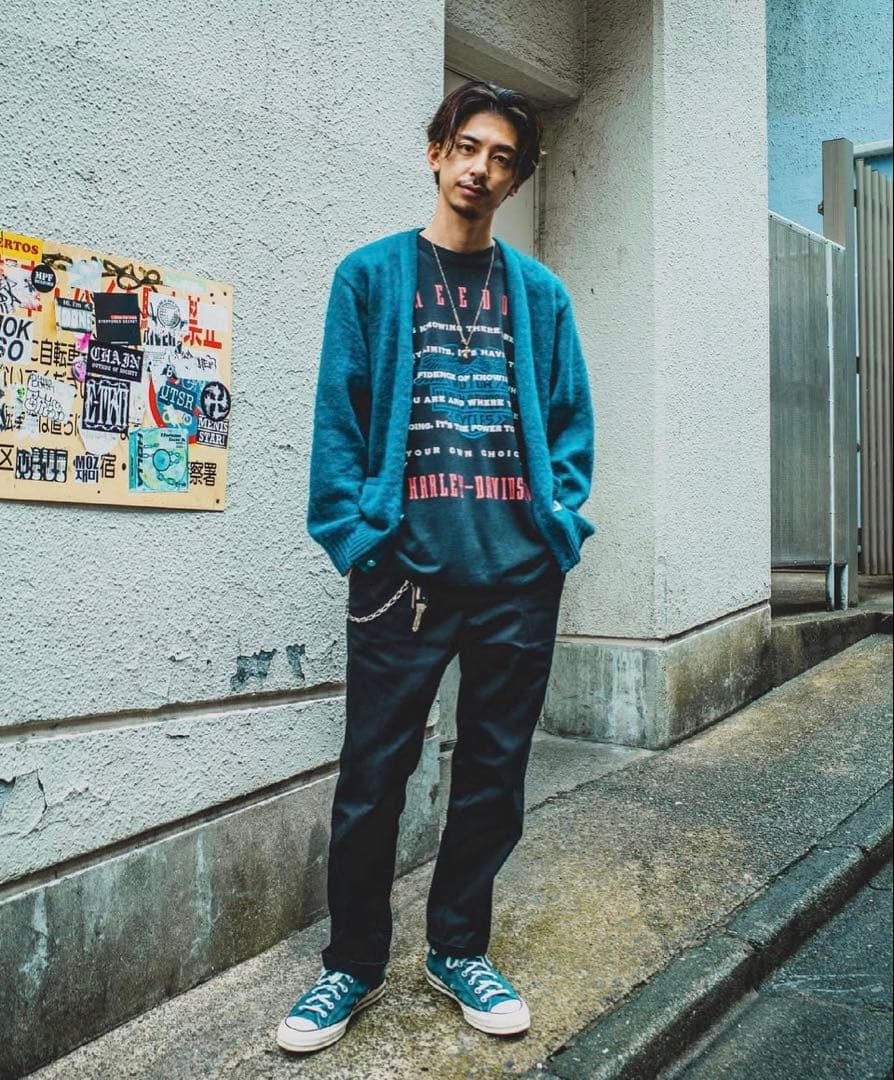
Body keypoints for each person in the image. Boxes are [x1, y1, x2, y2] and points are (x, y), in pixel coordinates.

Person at [276, 78, 597, 1054]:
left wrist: (558, 527)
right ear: (435, 152)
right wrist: (357, 541)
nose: (480, 169)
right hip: (402, 580)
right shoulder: (371, 278)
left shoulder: (540, 297)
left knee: (493, 777)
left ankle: (458, 948)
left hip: (516, 579)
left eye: (502, 158)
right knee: (373, 778)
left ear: (516, 178)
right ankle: (352, 964)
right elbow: (338, 416)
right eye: (467, 147)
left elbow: (571, 423)